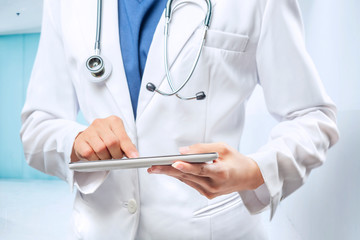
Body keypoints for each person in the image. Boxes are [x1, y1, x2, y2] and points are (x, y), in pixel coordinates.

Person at [20, 0, 339, 239]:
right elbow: (38, 124)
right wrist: (75, 142)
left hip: (209, 229)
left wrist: (256, 171)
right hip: (101, 229)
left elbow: (313, 116)